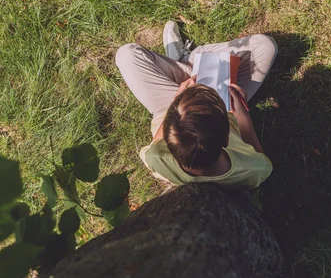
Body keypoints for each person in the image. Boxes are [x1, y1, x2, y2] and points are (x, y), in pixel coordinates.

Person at [116, 20, 277, 188]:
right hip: (228, 106)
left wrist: (176, 99)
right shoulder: (251, 169)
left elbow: (153, 147)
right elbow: (261, 158)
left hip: (168, 105)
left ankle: (184, 63)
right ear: (226, 139)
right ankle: (192, 61)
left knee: (127, 55)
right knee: (265, 46)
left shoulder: (157, 159)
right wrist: (243, 115)